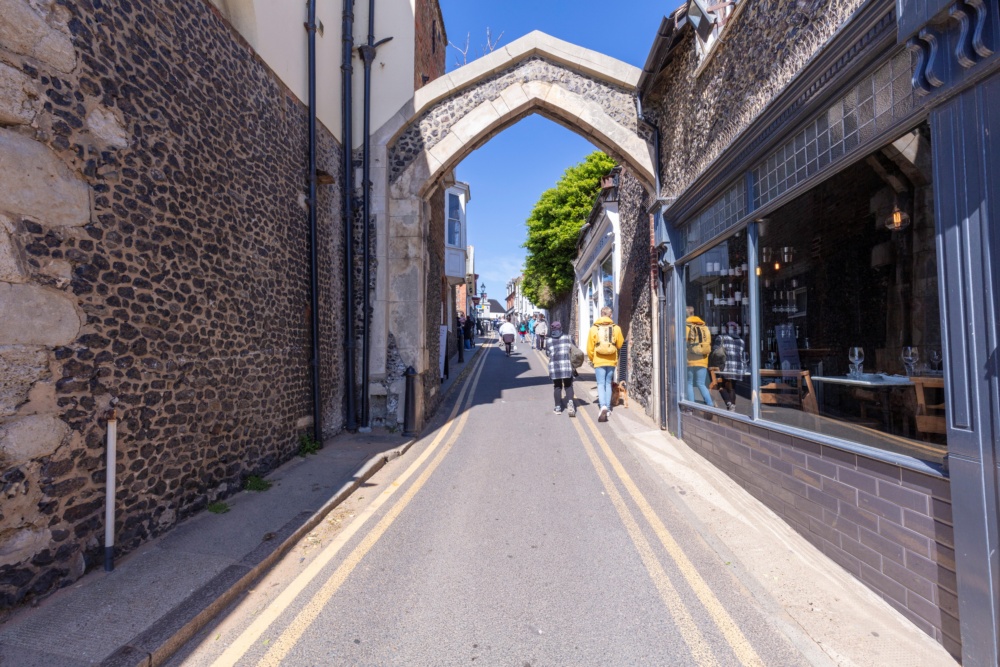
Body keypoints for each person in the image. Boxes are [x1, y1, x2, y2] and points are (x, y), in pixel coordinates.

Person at [587, 306, 624, 422]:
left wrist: (593, 358)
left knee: (600, 383)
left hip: (599, 360)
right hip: (611, 360)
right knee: (608, 383)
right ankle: (608, 408)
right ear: (610, 315)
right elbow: (619, 344)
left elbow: (589, 348)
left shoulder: (594, 329)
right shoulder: (616, 328)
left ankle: (602, 405)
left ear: (601, 314)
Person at [685, 306, 715, 408]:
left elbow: (683, 343)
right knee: (701, 383)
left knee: (689, 383)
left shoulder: (686, 327)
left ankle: (691, 406)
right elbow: (708, 342)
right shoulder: (705, 328)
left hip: (690, 359)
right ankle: (710, 404)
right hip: (703, 359)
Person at [717, 322, 747, 411]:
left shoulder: (721, 338)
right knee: (732, 387)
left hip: (726, 366)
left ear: (726, 329)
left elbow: (716, 351)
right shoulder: (741, 341)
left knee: (721, 385)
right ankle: (732, 407)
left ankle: (729, 404)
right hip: (737, 367)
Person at [547, 322, 576, 416]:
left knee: (557, 386)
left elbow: (547, 353)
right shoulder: (568, 337)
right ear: (561, 328)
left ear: (552, 329)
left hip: (554, 367)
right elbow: (574, 350)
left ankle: (558, 407)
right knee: (568, 385)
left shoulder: (548, 340)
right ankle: (570, 403)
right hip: (566, 365)